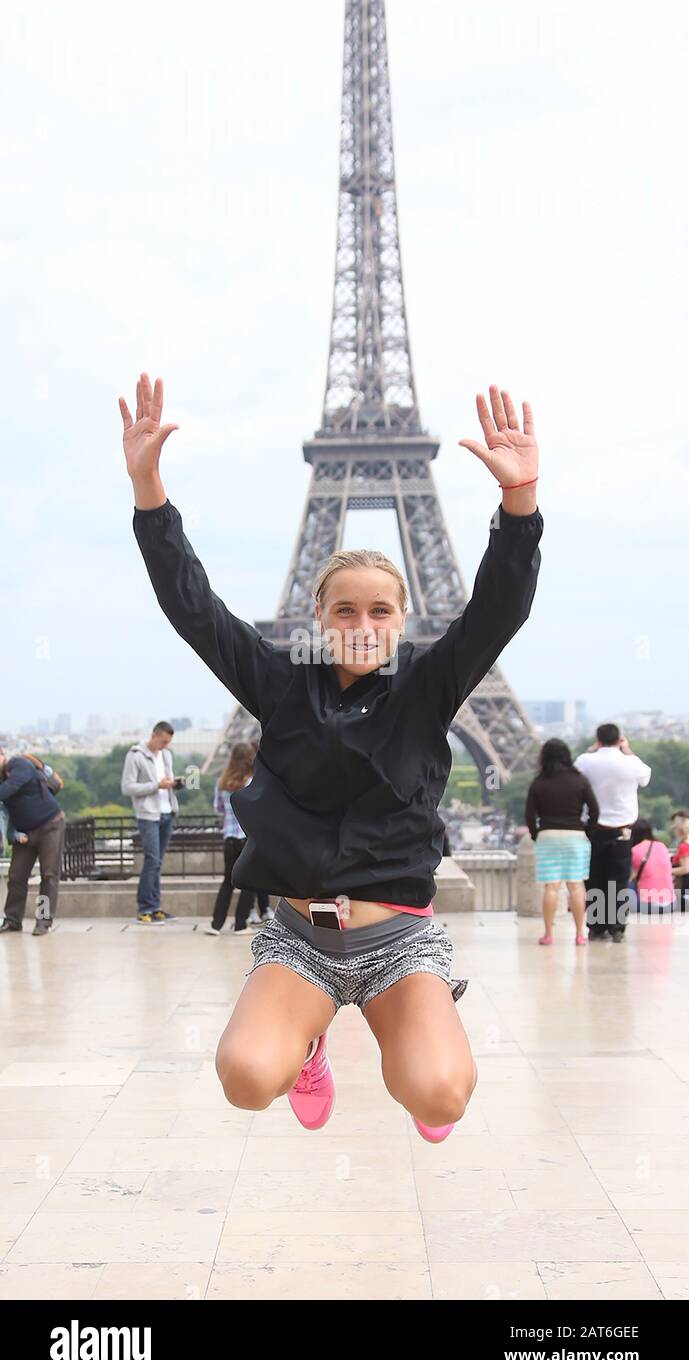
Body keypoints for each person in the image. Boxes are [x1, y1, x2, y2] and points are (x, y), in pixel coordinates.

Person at [119, 373, 542, 1143]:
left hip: (399, 937)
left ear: (402, 617)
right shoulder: (281, 685)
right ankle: (305, 1043)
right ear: (316, 614)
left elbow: (496, 611)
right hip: (300, 937)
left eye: (379, 610)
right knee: (247, 1082)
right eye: (342, 608)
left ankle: (413, 1042)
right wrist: (150, 492)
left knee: (440, 1095)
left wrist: (519, 506)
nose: (360, 622)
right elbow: (195, 610)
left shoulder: (427, 687)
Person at [574, 725, 652, 942]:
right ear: (619, 739)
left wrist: (592, 750)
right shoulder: (631, 762)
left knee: (595, 879)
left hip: (594, 830)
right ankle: (616, 927)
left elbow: (575, 775)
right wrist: (628, 751)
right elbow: (645, 777)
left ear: (597, 739)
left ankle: (596, 927)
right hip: (622, 832)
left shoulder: (585, 760)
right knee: (617, 881)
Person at [525, 738, 599, 946]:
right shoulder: (580, 780)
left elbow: (529, 814)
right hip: (575, 836)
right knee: (576, 886)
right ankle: (580, 934)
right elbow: (595, 810)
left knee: (551, 887)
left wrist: (536, 834)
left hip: (548, 835)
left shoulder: (539, 782)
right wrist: (587, 831)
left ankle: (548, 934)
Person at [207, 741, 271, 935]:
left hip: (229, 839)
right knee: (249, 883)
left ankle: (216, 925)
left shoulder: (222, 783)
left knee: (227, 882)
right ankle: (240, 924)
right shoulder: (252, 782)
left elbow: (218, 809)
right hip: (247, 838)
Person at [0, 746, 66, 936]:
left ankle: (43, 921)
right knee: (16, 876)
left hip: (50, 826)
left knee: (48, 875)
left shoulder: (19, 764)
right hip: (25, 833)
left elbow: (10, 788)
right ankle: (13, 919)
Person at [120, 720, 181, 924]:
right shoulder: (135, 755)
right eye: (163, 741)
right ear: (154, 735)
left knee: (157, 862)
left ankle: (155, 907)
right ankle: (145, 908)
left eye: (168, 742)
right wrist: (156, 785)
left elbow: (166, 781)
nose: (165, 745)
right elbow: (127, 787)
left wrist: (172, 784)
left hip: (167, 812)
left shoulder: (167, 755)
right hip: (148, 815)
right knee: (152, 860)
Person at [628, 818, 675, 915]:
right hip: (671, 904)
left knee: (624, 885)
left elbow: (630, 877)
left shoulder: (634, 850)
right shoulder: (662, 846)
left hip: (648, 906)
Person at [670, 808, 689, 913]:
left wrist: (667, 871)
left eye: (675, 827)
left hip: (683, 890)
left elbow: (686, 869)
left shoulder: (684, 846)